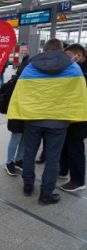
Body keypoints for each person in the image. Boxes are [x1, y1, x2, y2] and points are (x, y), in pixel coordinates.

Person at [7, 38, 87, 205]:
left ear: (45, 50)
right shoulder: (73, 68)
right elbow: (79, 96)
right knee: (53, 158)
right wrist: (73, 117)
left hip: (33, 119)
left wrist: (21, 113)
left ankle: (28, 185)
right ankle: (46, 194)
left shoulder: (30, 66)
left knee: (29, 153)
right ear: (61, 49)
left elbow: (20, 93)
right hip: (58, 122)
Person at [59, 44, 87, 192]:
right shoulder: (74, 68)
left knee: (75, 146)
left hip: (81, 116)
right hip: (69, 114)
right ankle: (63, 170)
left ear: (79, 55)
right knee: (65, 143)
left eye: (69, 57)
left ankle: (78, 180)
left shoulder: (83, 71)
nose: (67, 60)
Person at [4, 56, 30, 176]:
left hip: (28, 114)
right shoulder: (16, 81)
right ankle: (9, 162)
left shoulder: (33, 79)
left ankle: (19, 160)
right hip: (17, 114)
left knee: (24, 138)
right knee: (16, 137)